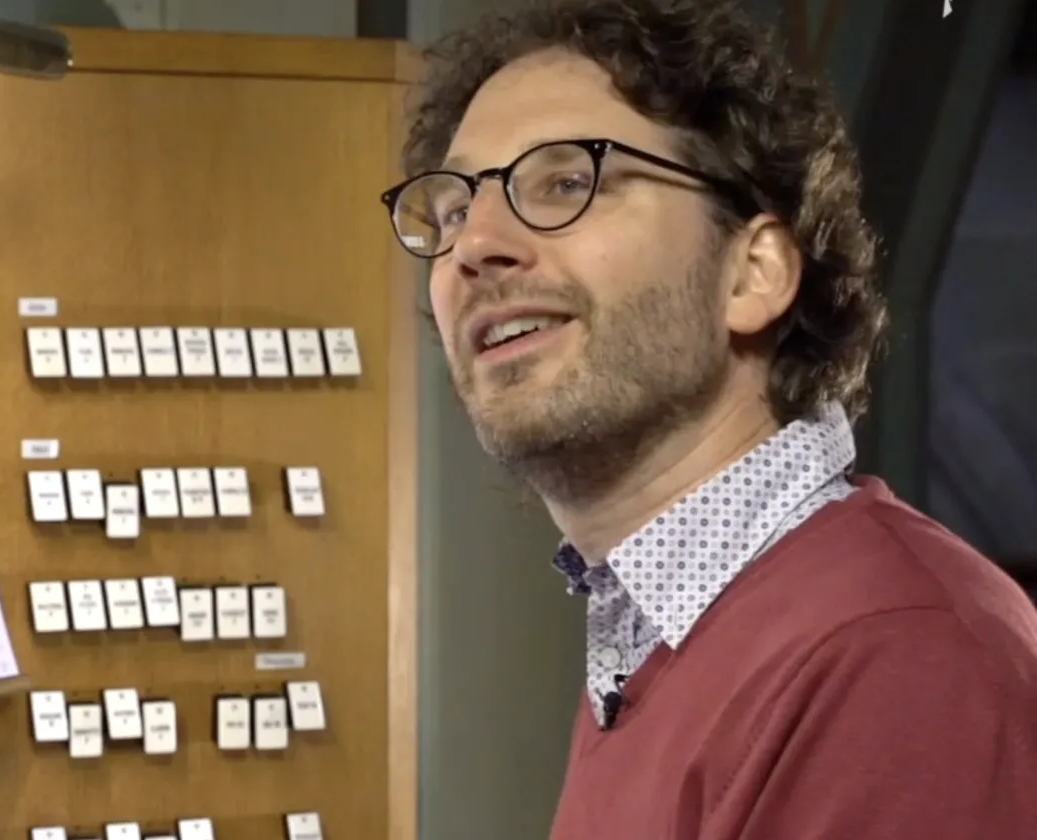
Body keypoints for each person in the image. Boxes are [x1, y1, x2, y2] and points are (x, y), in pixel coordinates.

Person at [379, 1, 1037, 837]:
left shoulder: (900, 657)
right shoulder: (650, 636)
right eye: (451, 212)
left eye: (568, 182)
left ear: (752, 275)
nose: (473, 246)